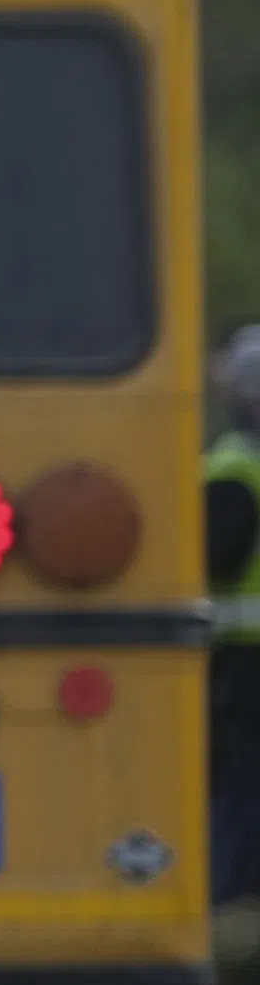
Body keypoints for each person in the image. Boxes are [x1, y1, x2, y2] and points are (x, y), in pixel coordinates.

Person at [207, 326, 260, 904]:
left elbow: (216, 561)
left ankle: (233, 895)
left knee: (243, 786)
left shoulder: (236, 466)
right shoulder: (236, 468)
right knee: (245, 786)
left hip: (244, 656)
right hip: (245, 657)